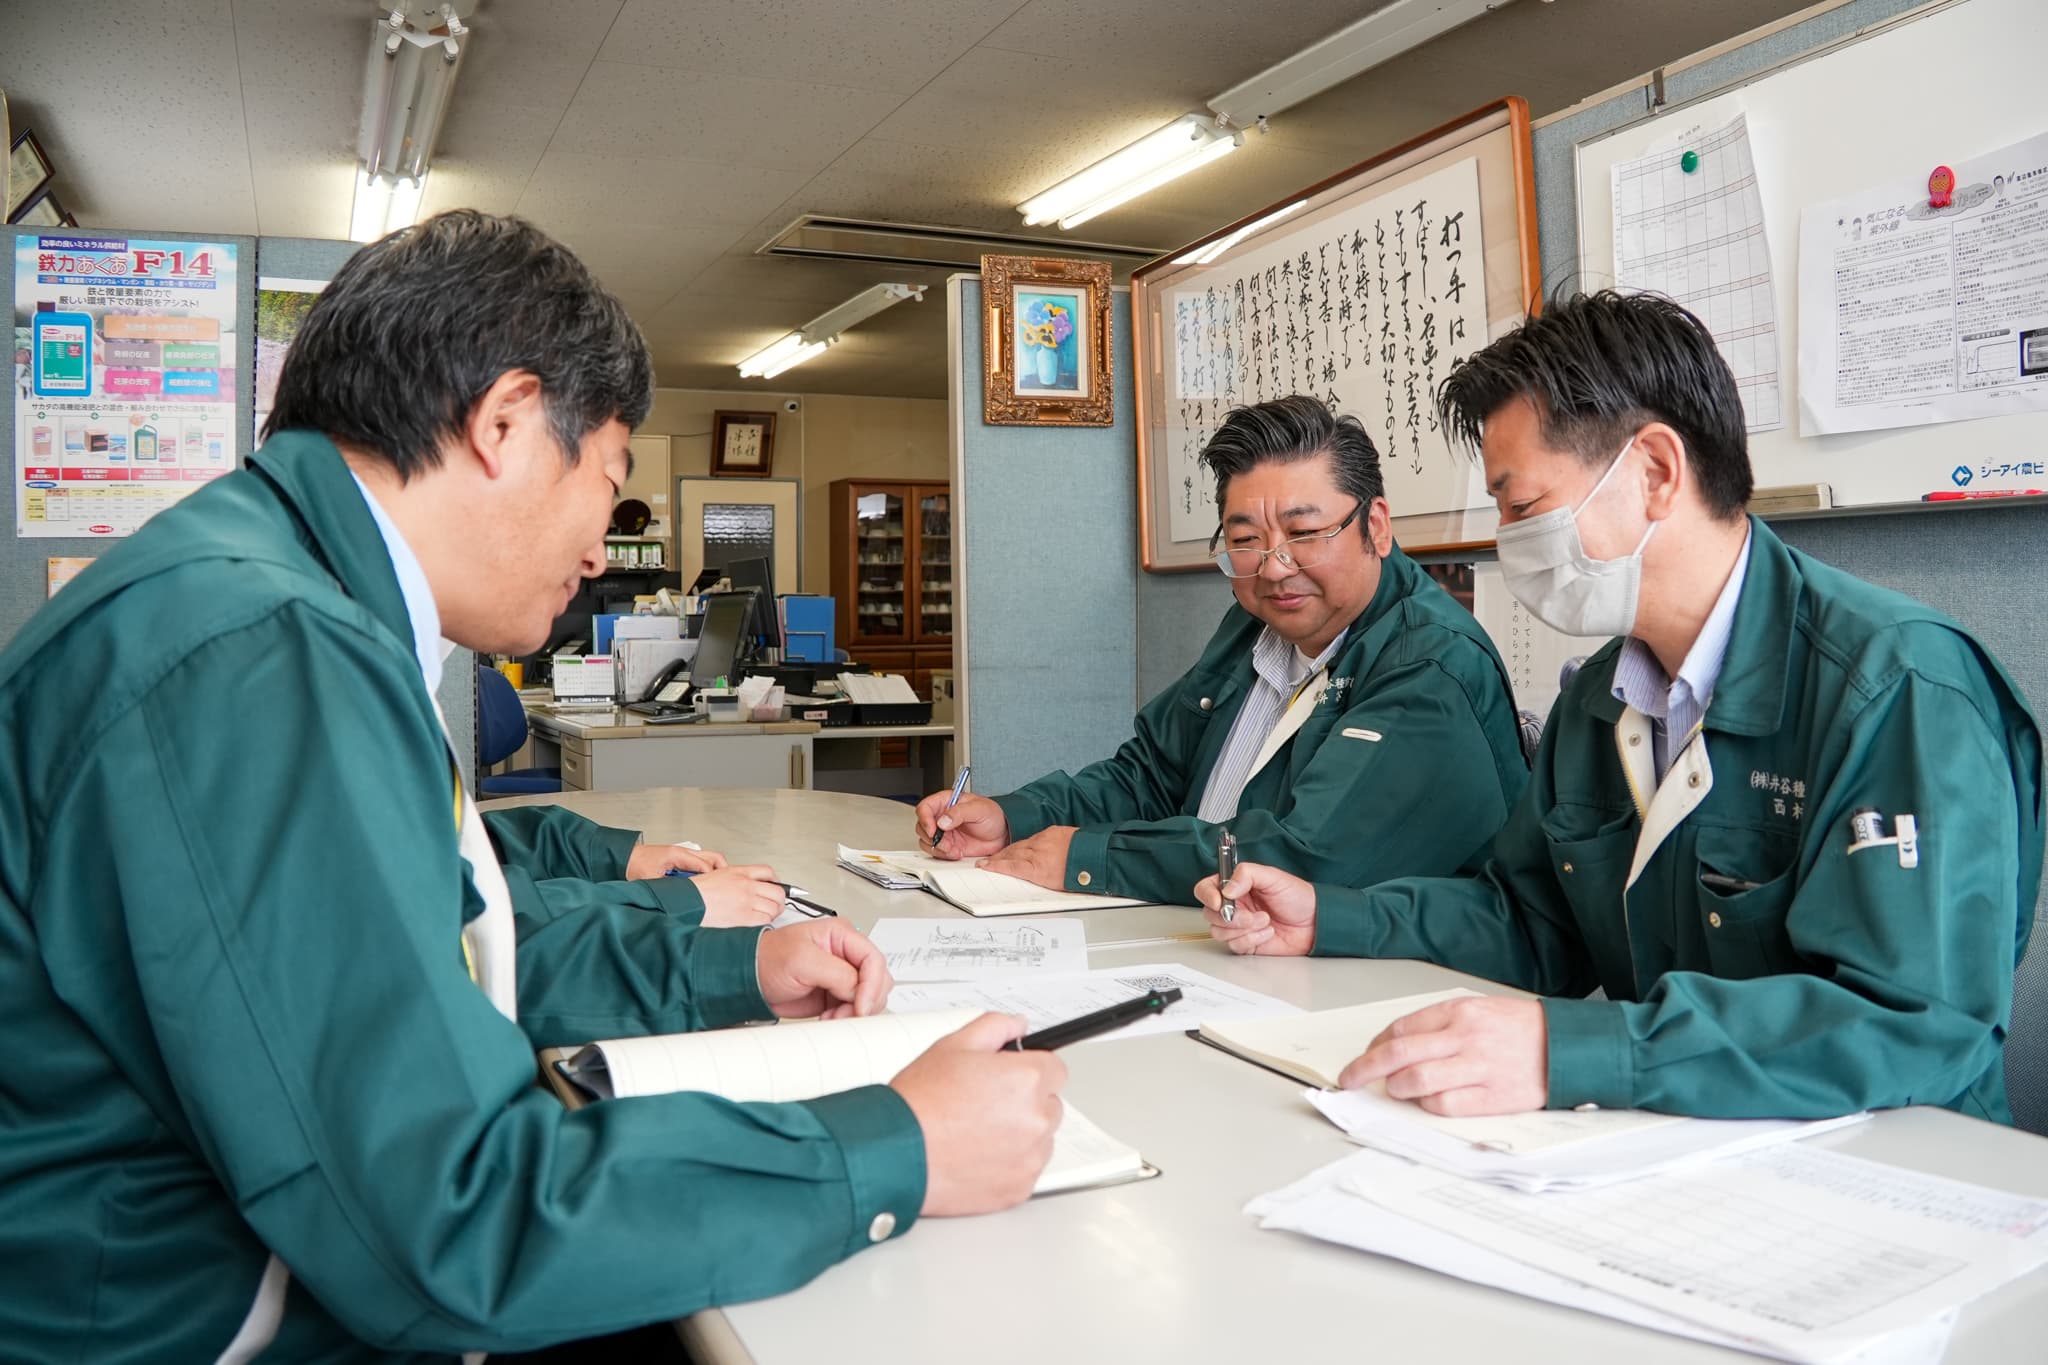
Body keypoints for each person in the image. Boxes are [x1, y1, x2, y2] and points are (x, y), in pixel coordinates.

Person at [0, 211, 1065, 1361]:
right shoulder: (260, 652)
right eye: (606, 479)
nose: (604, 548)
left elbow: (409, 958)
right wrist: (893, 1147)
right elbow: (452, 1224)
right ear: (503, 421)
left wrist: (720, 965)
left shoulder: (262, 598)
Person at [1199, 290, 2043, 1124]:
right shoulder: (1602, 700)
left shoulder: (1899, 687)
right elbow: (1528, 921)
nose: (1507, 538)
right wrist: (1330, 916)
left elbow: (1916, 1026)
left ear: (1655, 471)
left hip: (1894, 1174)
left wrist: (1572, 1051)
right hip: (1677, 1148)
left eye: (1522, 506)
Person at [916, 395, 1528, 904]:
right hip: (1225, 940)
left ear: (1377, 525)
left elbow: (1305, 855)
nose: (1276, 567)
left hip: (1386, 986)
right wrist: (1014, 817)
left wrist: (1087, 858)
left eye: (1305, 533)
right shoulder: (1255, 623)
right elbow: (1150, 775)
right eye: (1246, 540)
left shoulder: (1430, 664)